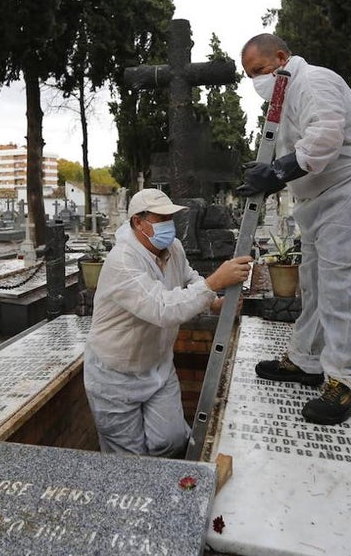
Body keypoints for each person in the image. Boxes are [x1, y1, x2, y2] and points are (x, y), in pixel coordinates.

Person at [236, 33, 351, 425]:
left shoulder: (315, 81)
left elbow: (325, 136)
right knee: (316, 286)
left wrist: (276, 172)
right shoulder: (285, 99)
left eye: (259, 70)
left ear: (282, 57)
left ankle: (345, 384)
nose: (256, 80)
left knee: (346, 289)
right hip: (321, 201)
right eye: (248, 75)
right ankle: (306, 360)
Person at [83, 188, 253, 456]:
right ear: (138, 222)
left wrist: (213, 300)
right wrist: (214, 283)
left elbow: (190, 278)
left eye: (170, 218)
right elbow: (161, 308)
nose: (168, 225)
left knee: (172, 439)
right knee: (128, 457)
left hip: (159, 366)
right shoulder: (123, 262)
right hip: (115, 375)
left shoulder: (172, 247)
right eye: (160, 219)